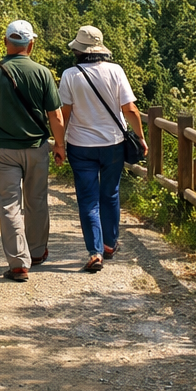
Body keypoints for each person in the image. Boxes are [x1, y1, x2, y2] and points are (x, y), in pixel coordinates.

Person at [0, 19, 66, 282]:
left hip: (2, 150)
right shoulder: (43, 73)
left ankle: (19, 262)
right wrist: (59, 144)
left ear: (5, 42)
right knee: (36, 201)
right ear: (31, 44)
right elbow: (55, 114)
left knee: (9, 205)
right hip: (36, 148)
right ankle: (36, 252)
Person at [59, 25, 148, 273]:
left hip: (80, 145)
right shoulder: (115, 71)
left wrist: (59, 143)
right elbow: (130, 109)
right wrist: (140, 137)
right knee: (110, 194)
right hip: (113, 144)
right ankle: (110, 245)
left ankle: (94, 252)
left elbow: (63, 115)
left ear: (78, 50)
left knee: (88, 200)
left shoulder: (69, 75)